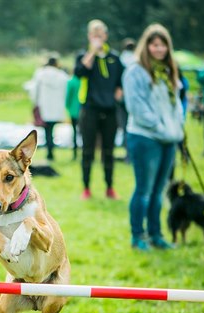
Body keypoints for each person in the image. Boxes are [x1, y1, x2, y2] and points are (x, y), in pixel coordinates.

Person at [123, 23, 184, 250]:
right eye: (154, 45)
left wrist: (178, 127)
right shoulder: (135, 71)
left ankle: (156, 234)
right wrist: (160, 127)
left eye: (163, 45)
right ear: (146, 46)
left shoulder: (167, 71)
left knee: (159, 192)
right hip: (145, 138)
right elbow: (137, 108)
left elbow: (176, 103)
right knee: (144, 190)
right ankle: (138, 236)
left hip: (169, 138)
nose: (159, 50)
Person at [74, 19, 125, 200]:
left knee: (109, 150)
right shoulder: (84, 55)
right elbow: (79, 72)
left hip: (110, 110)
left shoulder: (115, 58)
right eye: (94, 35)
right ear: (89, 36)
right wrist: (93, 52)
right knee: (87, 150)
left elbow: (121, 80)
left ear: (105, 36)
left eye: (100, 35)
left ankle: (110, 187)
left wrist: (119, 93)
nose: (98, 38)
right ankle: (86, 188)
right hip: (90, 109)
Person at [30, 55, 69, 161]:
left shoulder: (40, 74)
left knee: (47, 131)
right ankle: (51, 151)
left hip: (44, 106)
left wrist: (35, 103)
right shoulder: (62, 75)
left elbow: (34, 90)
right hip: (56, 107)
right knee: (52, 130)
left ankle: (49, 151)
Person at [66, 74, 82, 160]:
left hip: (73, 110)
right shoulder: (84, 80)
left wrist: (68, 107)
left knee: (75, 132)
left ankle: (75, 153)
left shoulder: (72, 81)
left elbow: (68, 97)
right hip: (84, 110)